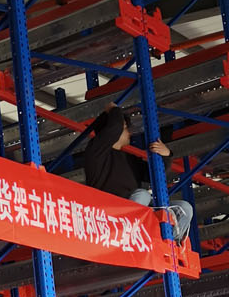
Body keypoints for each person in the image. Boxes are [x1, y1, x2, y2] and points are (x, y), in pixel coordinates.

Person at [82, 104, 193, 243]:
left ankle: (170, 243)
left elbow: (153, 175)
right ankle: (127, 232)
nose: (129, 132)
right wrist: (113, 109)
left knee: (184, 208)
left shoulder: (130, 159)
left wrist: (166, 155)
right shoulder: (96, 152)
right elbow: (114, 127)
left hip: (138, 210)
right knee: (142, 195)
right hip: (112, 213)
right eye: (125, 128)